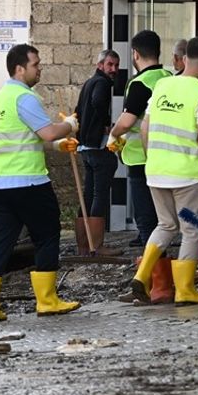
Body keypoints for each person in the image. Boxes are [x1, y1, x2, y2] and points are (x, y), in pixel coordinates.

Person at [0, 44, 82, 322]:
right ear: (20, 68)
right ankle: (47, 301)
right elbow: (47, 132)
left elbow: (27, 139)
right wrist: (70, 125)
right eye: (36, 65)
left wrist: (60, 147)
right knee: (47, 234)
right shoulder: (25, 97)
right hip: (29, 182)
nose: (40, 70)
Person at [129, 38, 198, 306]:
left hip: (156, 171)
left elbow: (143, 128)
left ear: (184, 58)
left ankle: (141, 275)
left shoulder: (163, 85)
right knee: (191, 231)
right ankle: (185, 291)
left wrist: (154, 159)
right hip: (187, 175)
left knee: (165, 225)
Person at [106, 30, 172, 247]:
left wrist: (113, 134)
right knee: (163, 216)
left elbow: (126, 122)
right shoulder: (168, 78)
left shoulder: (140, 83)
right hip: (167, 155)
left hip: (140, 158)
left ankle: (152, 269)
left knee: (145, 217)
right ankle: (158, 263)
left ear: (135, 54)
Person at [72, 49, 121, 256]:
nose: (114, 70)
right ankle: (97, 246)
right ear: (100, 65)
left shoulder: (89, 82)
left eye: (116, 65)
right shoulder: (101, 84)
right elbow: (98, 103)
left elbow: (80, 108)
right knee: (99, 194)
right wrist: (104, 127)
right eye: (110, 65)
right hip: (97, 146)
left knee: (88, 193)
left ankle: (84, 246)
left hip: (85, 146)